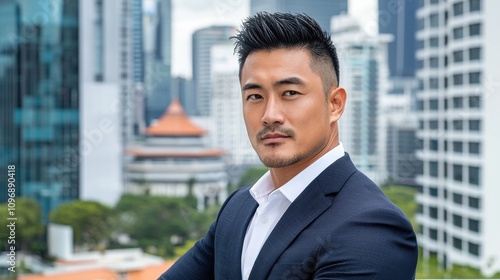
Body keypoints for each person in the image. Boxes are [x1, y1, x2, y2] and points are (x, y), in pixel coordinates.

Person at [158, 12, 418, 280]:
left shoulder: (370, 227)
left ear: (335, 104)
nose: (270, 114)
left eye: (290, 93)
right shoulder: (238, 208)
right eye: (255, 96)